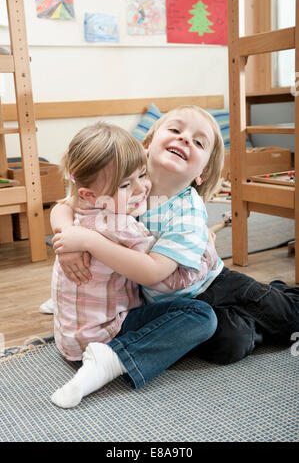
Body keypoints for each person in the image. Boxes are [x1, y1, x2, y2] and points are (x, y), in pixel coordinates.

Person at [53, 105, 299, 369]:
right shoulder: (122, 186)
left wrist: (87, 241)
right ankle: (252, 320)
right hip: (174, 306)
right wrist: (68, 238)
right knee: (230, 345)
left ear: (201, 173)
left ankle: (281, 294)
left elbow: (153, 272)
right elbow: (65, 205)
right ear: (147, 145)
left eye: (198, 142)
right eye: (175, 130)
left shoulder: (187, 210)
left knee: (289, 316)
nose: (184, 139)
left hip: (214, 283)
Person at [50, 120, 217, 408]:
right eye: (127, 184)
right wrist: (204, 252)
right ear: (90, 194)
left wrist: (68, 235)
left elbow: (60, 206)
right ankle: (113, 360)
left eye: (142, 175)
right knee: (201, 316)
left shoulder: (82, 205)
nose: (142, 188)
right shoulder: (124, 228)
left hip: (69, 338)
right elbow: (161, 280)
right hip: (104, 336)